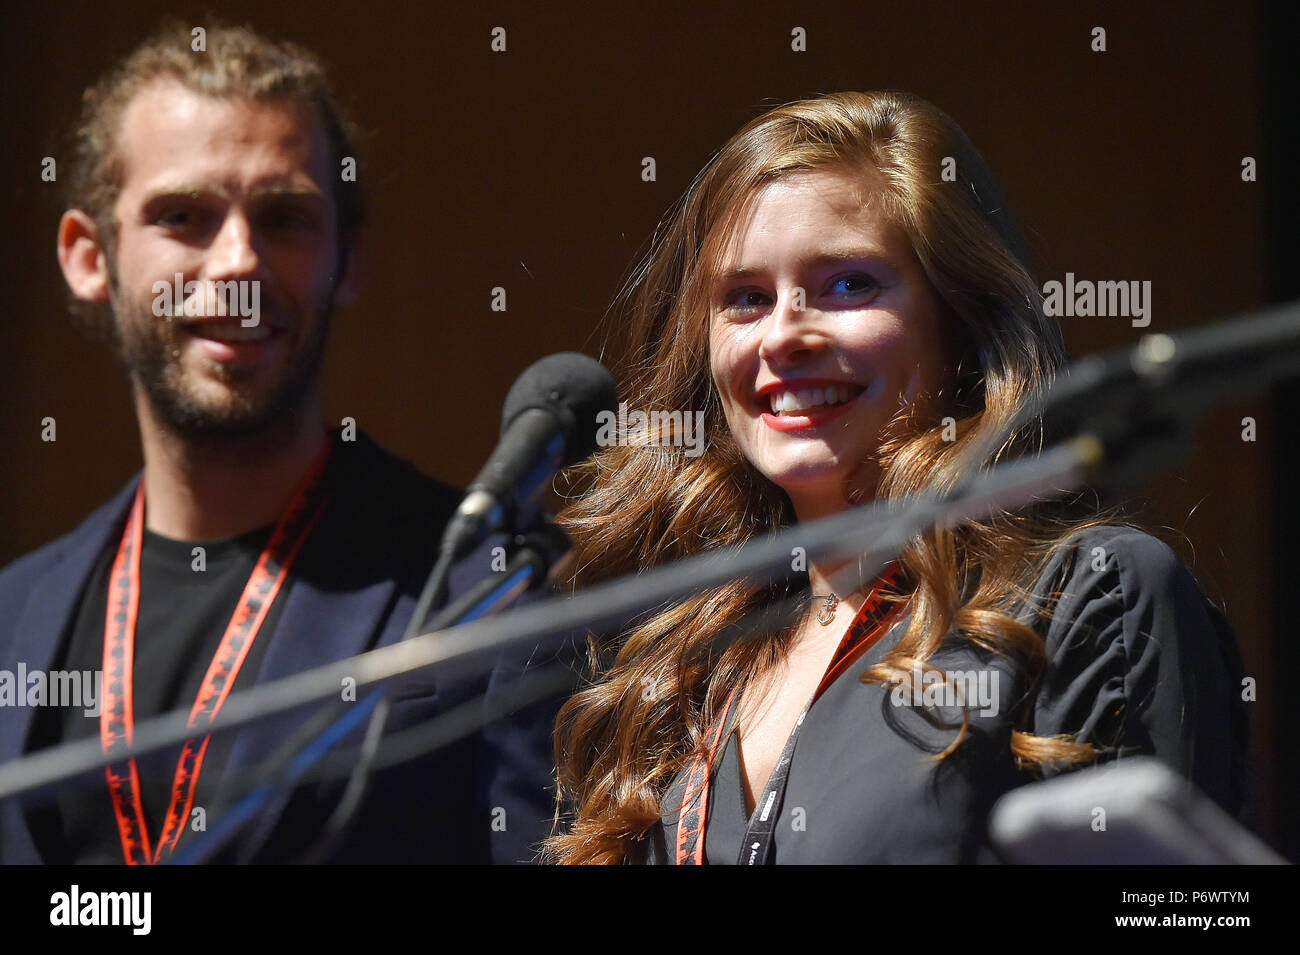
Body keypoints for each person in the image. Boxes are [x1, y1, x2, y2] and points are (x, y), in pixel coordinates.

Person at [544, 91, 1250, 864]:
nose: (784, 335)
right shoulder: (682, 670)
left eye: (849, 284)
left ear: (961, 318)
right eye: (745, 298)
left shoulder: (1085, 598)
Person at [0, 21, 555, 864]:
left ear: (348, 260)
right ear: (89, 255)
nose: (237, 262)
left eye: (284, 217)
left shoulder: (485, 598)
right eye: (183, 215)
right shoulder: (10, 619)